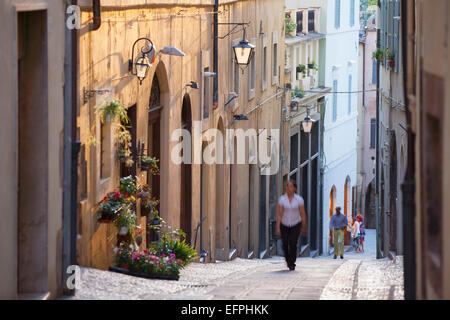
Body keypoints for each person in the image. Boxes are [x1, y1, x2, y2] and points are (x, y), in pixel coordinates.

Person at [276, 180, 308, 271]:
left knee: (293, 242)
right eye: (287, 186)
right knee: (285, 243)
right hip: (284, 224)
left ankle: (292, 261)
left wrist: (304, 226)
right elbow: (279, 213)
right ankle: (288, 260)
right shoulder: (282, 199)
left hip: (295, 224)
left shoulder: (299, 199)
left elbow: (302, 213)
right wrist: (278, 227)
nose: (288, 188)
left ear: (294, 188)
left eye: (290, 186)